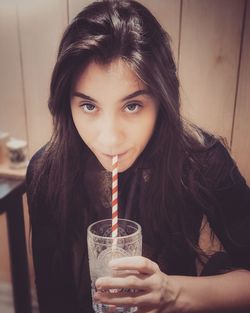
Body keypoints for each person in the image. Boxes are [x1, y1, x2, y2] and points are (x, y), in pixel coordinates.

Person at [26, 0, 250, 312]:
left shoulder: (200, 160)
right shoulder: (45, 171)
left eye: (132, 106)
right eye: (88, 106)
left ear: (162, 100)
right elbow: (52, 295)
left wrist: (173, 291)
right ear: (67, 105)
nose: (109, 138)